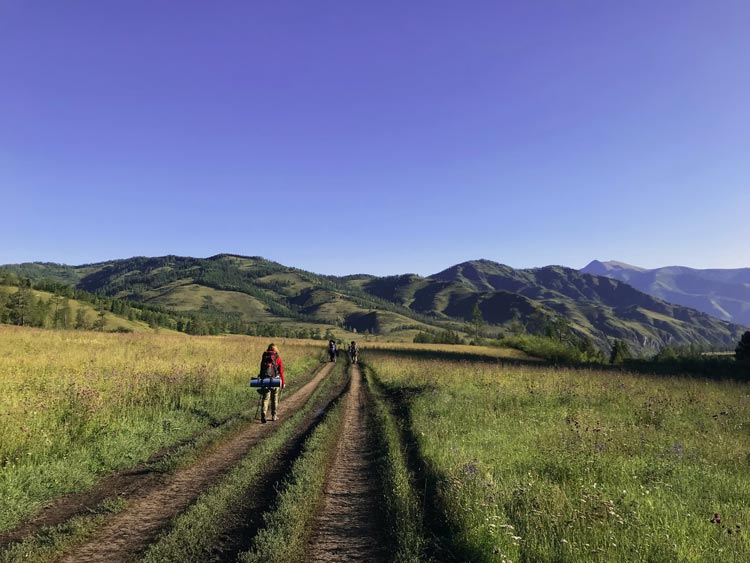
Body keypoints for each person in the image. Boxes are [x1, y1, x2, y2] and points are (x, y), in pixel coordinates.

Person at [259, 343, 285, 423]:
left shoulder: (264, 357)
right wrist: (283, 382)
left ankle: (263, 413)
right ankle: (274, 415)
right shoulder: (278, 358)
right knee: (274, 398)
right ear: (275, 349)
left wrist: (261, 378)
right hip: (275, 380)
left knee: (265, 398)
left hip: (265, 380)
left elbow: (261, 369)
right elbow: (281, 372)